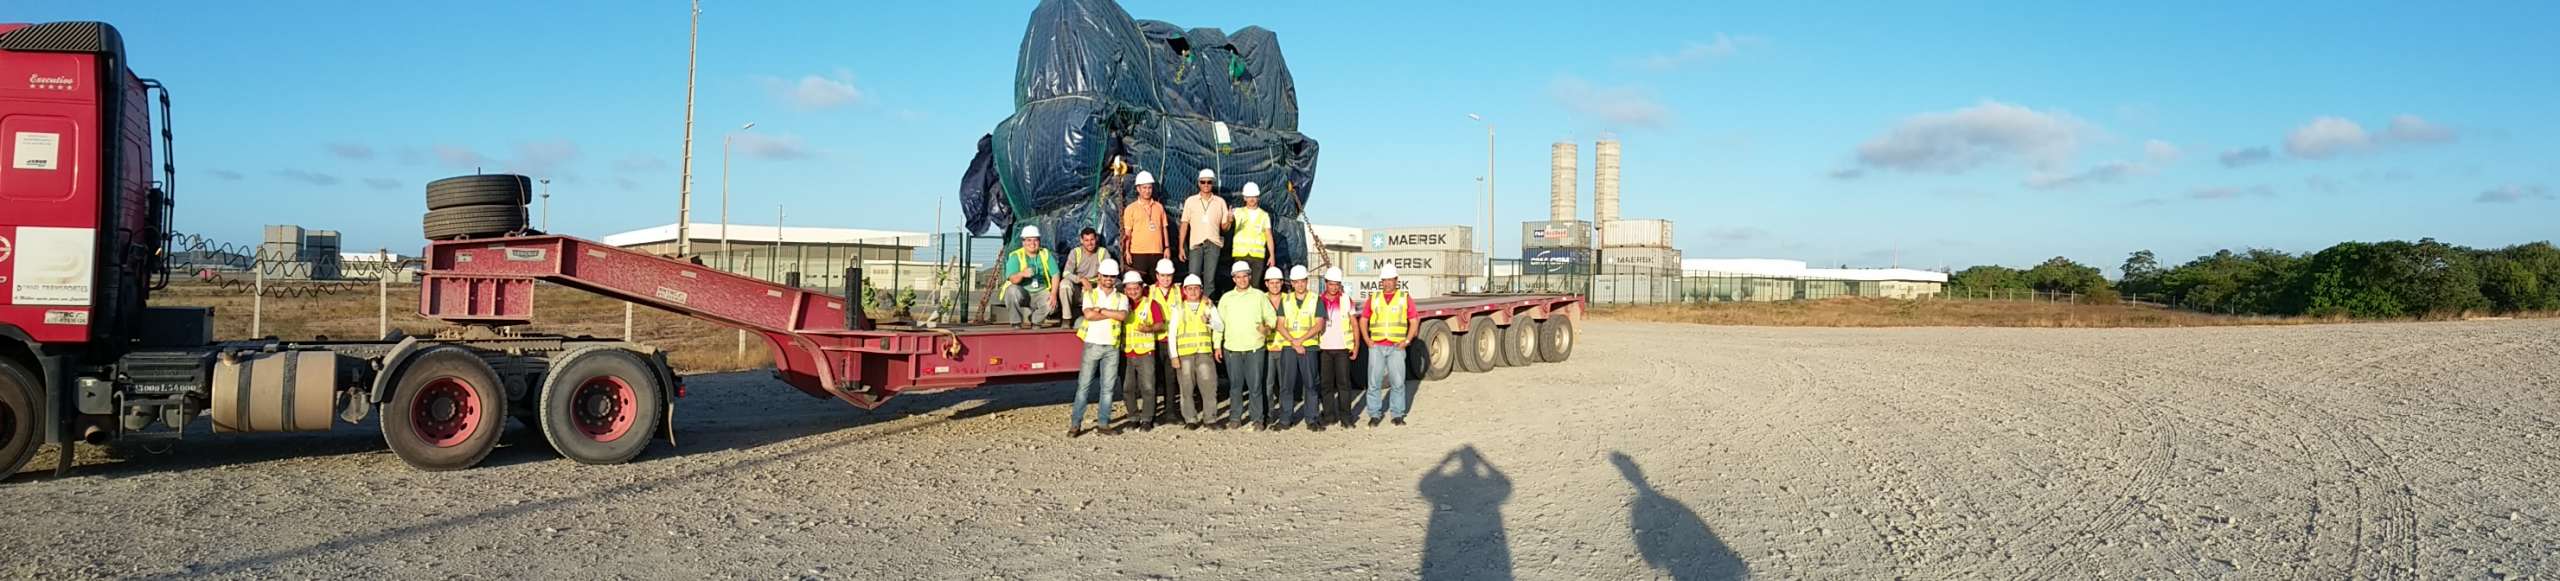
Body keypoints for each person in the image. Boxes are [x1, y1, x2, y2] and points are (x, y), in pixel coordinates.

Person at [1216, 261, 1275, 430]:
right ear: (1233, 278)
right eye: (1238, 277)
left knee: (1255, 386)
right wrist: (1217, 345)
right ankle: (1235, 417)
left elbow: (1271, 318)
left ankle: (1257, 419)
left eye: (1245, 276)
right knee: (1235, 386)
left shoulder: (1259, 296)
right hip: (1232, 349)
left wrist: (1267, 328)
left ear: (1250, 276)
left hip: (1254, 348)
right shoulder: (1226, 298)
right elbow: (1219, 324)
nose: (1242, 280)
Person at [1358, 264, 1416, 426]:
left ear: (1396, 280)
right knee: (1374, 382)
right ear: (1381, 281)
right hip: (1376, 346)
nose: (1388, 283)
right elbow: (1363, 319)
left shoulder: (1404, 298)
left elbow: (1413, 321)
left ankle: (1397, 414)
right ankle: (1374, 415)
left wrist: (1407, 341)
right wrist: (1367, 339)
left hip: (1397, 347)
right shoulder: (1374, 297)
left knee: (1397, 382)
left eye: (1391, 280)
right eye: (1385, 280)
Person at [1163, 274, 1221, 429]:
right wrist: (1174, 356)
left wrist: (1209, 322)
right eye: (1190, 289)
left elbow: (1220, 326)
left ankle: (1210, 419)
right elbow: (1172, 334)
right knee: (1186, 388)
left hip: (1204, 352)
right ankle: (1191, 419)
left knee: (1209, 387)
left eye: (1196, 288)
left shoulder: (1209, 306)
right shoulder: (1178, 308)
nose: (1193, 291)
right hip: (1184, 355)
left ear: (1201, 289)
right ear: (1185, 291)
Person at [1114, 270, 1167, 431]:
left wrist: (1150, 328)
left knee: (1148, 387)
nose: (1132, 292)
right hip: (1126, 351)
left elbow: (1161, 324)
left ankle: (1147, 418)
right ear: (1124, 289)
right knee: (1128, 388)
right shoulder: (1121, 304)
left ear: (1141, 287)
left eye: (1135, 288)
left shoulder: (1151, 304)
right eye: (1129, 289)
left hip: (1146, 352)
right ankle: (1133, 417)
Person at [1274, 265, 1323, 430]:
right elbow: (1280, 325)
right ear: (1292, 283)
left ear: (1306, 282)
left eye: (1303, 281)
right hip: (1289, 347)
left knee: (1310, 384)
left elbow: (1319, 325)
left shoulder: (1316, 299)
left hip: (1309, 347)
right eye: (1297, 282)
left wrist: (1300, 340)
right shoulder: (1285, 300)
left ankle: (1312, 419)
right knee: (1287, 385)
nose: (1300, 284)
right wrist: (1294, 342)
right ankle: (1285, 419)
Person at [1315, 266, 1360, 427]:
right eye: (1331, 284)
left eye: (1336, 284)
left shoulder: (1346, 300)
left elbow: (1354, 324)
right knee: (1326, 385)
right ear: (1325, 283)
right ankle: (1329, 415)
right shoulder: (1318, 300)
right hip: (1324, 349)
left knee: (1344, 384)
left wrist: (1356, 345)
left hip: (1342, 348)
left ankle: (1346, 418)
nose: (1333, 287)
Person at [1177, 168, 1231, 296]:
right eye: (1203, 182)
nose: (1206, 185)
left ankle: (1207, 308)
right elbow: (1184, 224)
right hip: (1196, 244)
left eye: (1209, 182)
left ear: (1213, 183)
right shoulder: (1190, 201)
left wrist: (1229, 220)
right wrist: (1181, 247)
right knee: (1193, 278)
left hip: (1213, 244)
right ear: (1198, 183)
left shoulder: (1220, 202)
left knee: (1210, 280)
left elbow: (1225, 228)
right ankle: (1192, 307)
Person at [998, 226, 1059, 328]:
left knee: (1052, 304)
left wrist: (1053, 293)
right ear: (1023, 242)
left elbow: (1055, 274)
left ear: (1039, 241)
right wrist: (1022, 274)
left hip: (1041, 291)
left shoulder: (1045, 254)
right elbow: (1013, 279)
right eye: (1029, 240)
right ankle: (1016, 323)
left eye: (1035, 240)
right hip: (1023, 292)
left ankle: (1036, 320)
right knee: (1011, 291)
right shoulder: (1016, 256)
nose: (1032, 243)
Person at [1148, 258, 1183, 425]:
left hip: (1172, 341)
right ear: (1157, 275)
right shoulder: (1149, 291)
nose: (1166, 279)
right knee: (1153, 378)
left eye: (1169, 276)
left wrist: (1206, 298)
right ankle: (1152, 413)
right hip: (1154, 340)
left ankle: (1170, 413)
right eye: (1163, 276)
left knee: (1171, 379)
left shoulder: (1178, 290)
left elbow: (1194, 295)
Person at [1120, 170, 1169, 276]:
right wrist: (1127, 251)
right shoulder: (1130, 209)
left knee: (1155, 285)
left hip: (1157, 252)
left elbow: (1164, 228)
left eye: (1149, 187)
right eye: (1144, 188)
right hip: (1138, 253)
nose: (1147, 191)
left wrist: (1167, 248)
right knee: (1139, 284)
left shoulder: (1159, 207)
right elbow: (1128, 233)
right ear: (1138, 189)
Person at [1230, 182, 1275, 289]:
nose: (1251, 199)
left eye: (1254, 196)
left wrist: (1272, 255)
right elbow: (1226, 227)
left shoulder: (1264, 216)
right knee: (1240, 286)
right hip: (1240, 254)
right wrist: (1229, 219)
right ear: (1244, 198)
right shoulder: (1237, 212)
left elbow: (1268, 236)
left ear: (1258, 197)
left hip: (1257, 257)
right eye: (1249, 197)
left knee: (1254, 286)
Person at [1261, 266, 1290, 425]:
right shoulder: (1261, 299)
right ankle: (1269, 413)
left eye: (1278, 282)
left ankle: (1286, 415)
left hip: (1285, 347)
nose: (1275, 285)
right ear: (1266, 283)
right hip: (1267, 347)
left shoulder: (1289, 299)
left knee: (1285, 385)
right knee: (1268, 384)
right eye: (1271, 283)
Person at [1061, 228, 1109, 322]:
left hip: (1096, 288)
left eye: (1092, 239)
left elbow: (1108, 273)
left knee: (1116, 283)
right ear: (1081, 240)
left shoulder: (1103, 252)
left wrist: (1098, 285)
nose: (1089, 243)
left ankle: (1104, 314)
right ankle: (1066, 319)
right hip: (1079, 288)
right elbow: (1066, 273)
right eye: (1086, 240)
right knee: (1064, 284)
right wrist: (1081, 280)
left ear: (1096, 239)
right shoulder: (1075, 252)